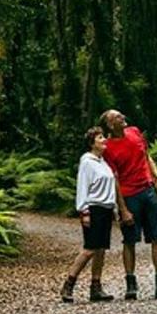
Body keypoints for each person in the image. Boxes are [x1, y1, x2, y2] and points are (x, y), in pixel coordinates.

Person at [100, 109, 157, 301]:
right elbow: (114, 179)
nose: (123, 117)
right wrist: (122, 208)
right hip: (129, 196)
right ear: (110, 125)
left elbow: (147, 156)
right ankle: (131, 285)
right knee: (130, 240)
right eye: (118, 117)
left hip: (148, 191)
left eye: (121, 115)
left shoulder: (135, 132)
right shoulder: (108, 148)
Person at [61, 126, 117, 303]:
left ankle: (96, 286)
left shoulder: (103, 162)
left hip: (106, 209)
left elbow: (110, 186)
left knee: (101, 249)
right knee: (89, 249)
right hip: (93, 209)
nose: (104, 140)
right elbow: (83, 187)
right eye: (100, 138)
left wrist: (114, 207)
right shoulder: (87, 162)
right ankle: (69, 284)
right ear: (92, 143)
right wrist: (83, 211)